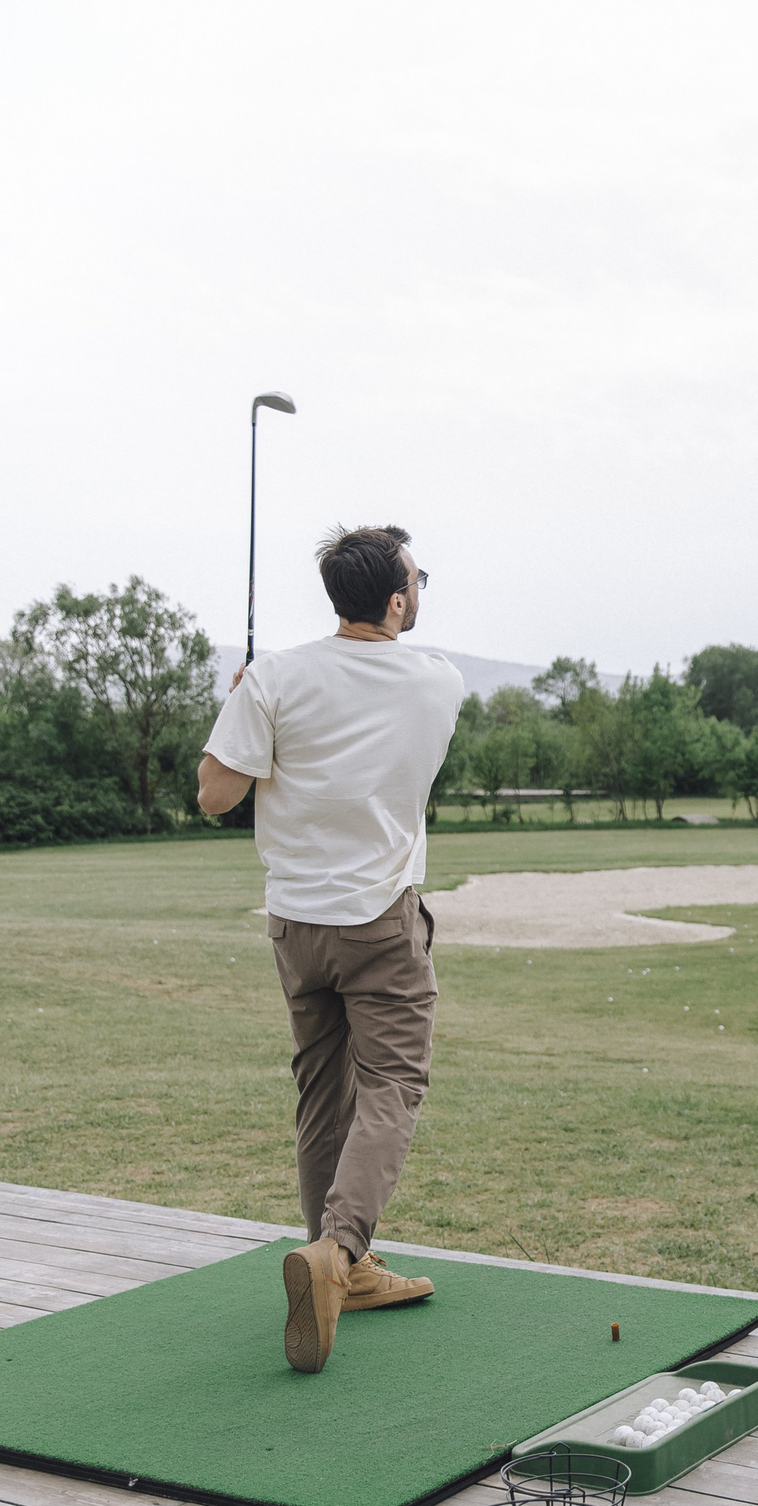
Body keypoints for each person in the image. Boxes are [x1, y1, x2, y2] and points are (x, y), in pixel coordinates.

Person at [197, 524, 466, 1373]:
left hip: (296, 926)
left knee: (324, 1094)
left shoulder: (273, 675)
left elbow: (215, 795)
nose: (422, 586)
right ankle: (339, 1250)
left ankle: (338, 1266)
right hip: (380, 923)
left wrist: (242, 705)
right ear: (395, 601)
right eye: (419, 578)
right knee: (391, 1087)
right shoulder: (440, 681)